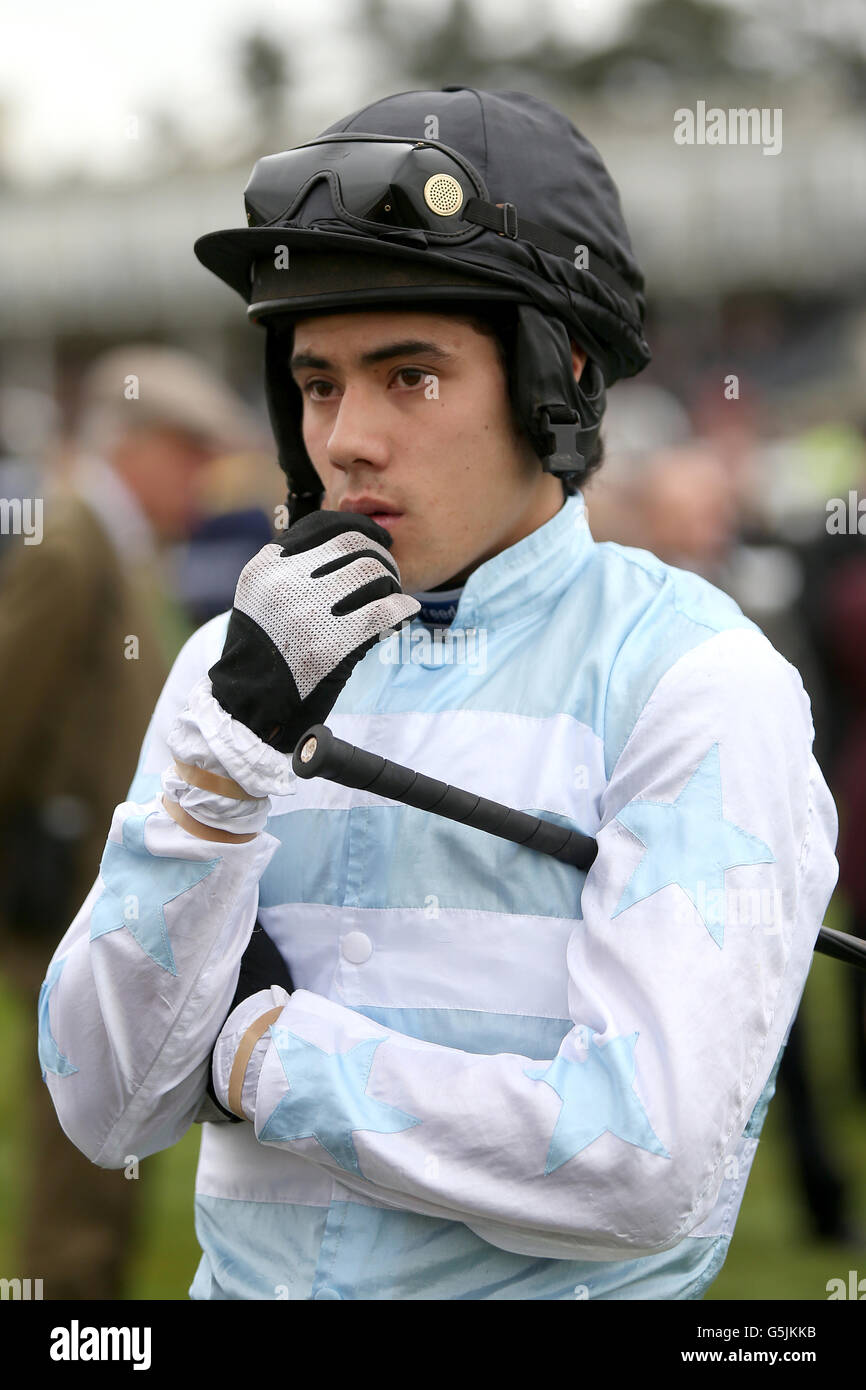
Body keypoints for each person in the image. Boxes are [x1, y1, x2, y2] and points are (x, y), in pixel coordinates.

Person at [39, 87, 838, 1301]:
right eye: (317, 384)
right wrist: (212, 787)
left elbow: (642, 1162)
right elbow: (105, 1107)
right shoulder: (224, 672)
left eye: (408, 377)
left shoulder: (695, 678)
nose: (345, 439)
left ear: (557, 379)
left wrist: (258, 1053)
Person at [1, 344, 259, 1298]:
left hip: (96, 887)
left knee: (106, 1150)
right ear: (139, 444)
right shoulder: (74, 540)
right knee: (80, 1151)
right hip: (66, 885)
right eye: (191, 457)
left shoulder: (108, 539)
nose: (203, 486)